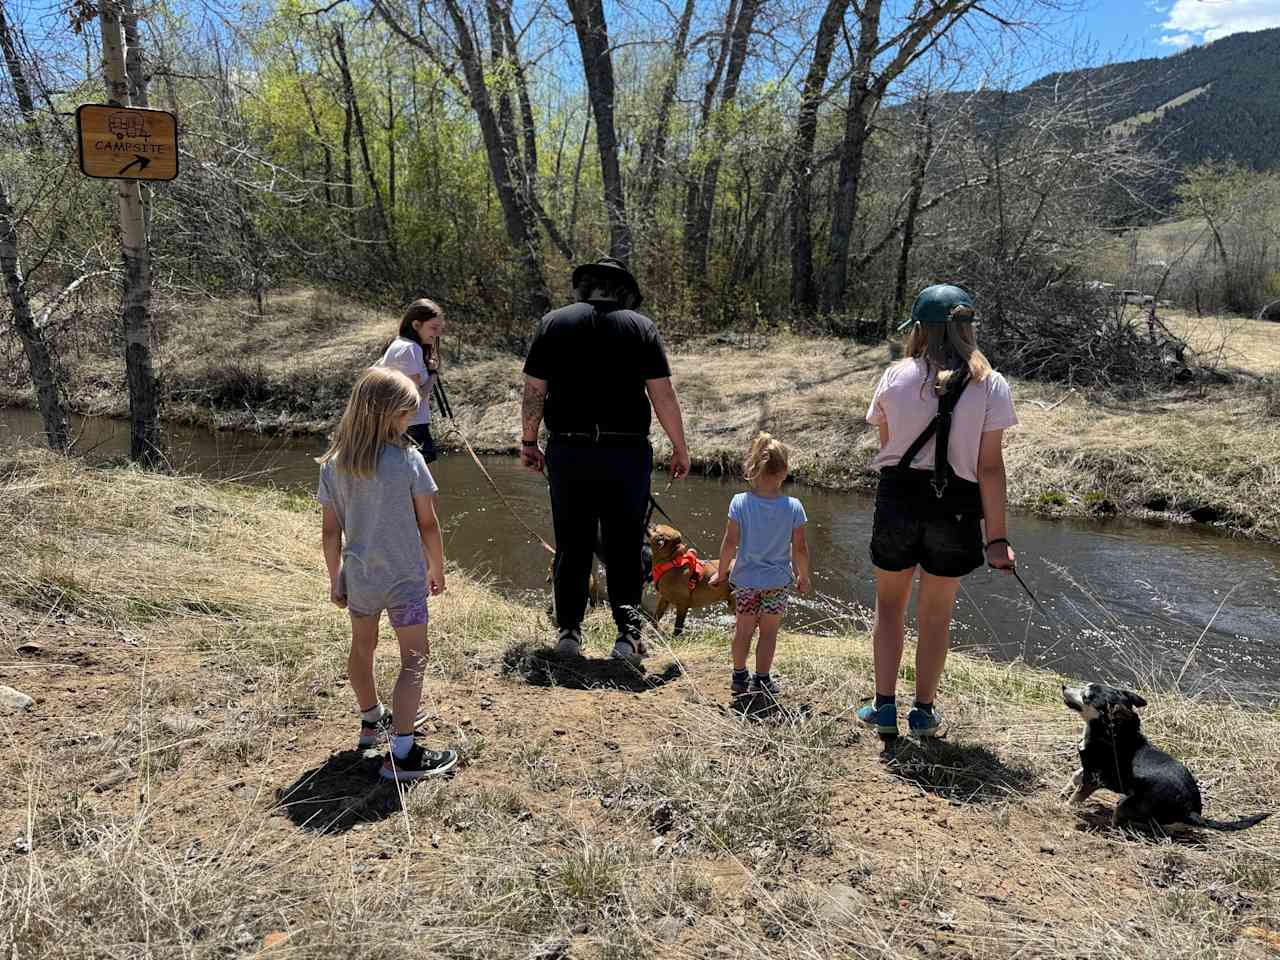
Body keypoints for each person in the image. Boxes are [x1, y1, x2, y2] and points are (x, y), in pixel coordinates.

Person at [857, 283, 1016, 739]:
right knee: (936, 616)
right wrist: (997, 541)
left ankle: (883, 708)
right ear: (967, 327)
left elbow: (888, 449)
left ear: (920, 330)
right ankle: (923, 712)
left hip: (898, 502)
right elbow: (989, 468)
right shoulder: (993, 386)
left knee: (889, 607)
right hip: (958, 510)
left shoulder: (894, 377)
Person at [520, 257, 690, 665]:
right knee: (625, 546)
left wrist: (529, 440)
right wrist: (680, 447)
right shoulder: (640, 327)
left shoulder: (554, 323)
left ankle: (568, 634)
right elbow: (661, 394)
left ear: (586, 288)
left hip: (568, 449)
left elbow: (534, 391)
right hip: (625, 452)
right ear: (622, 291)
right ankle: (627, 638)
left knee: (571, 543)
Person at [317, 366, 457, 781]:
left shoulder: (334, 464)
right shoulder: (408, 461)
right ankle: (403, 752)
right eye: (405, 415)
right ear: (386, 415)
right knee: (414, 658)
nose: (409, 423)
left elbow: (330, 532)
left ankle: (371, 719)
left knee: (363, 649)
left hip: (360, 579)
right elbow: (428, 525)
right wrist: (438, 567)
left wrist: (334, 577)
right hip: (405, 580)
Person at [709, 433, 811, 698]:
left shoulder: (739, 502)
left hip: (745, 581)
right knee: (768, 633)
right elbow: (800, 548)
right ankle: (762, 679)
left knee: (742, 630)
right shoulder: (794, 507)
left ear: (751, 468)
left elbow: (730, 542)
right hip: (776, 583)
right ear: (785, 471)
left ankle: (739, 676)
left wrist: (721, 573)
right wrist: (803, 576)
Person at [378, 299, 445, 463]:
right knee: (421, 481)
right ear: (416, 325)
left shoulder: (400, 344)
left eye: (439, 329)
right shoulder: (410, 348)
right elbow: (415, 396)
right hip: (411, 425)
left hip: (402, 424)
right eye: (433, 328)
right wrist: (434, 373)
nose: (437, 334)